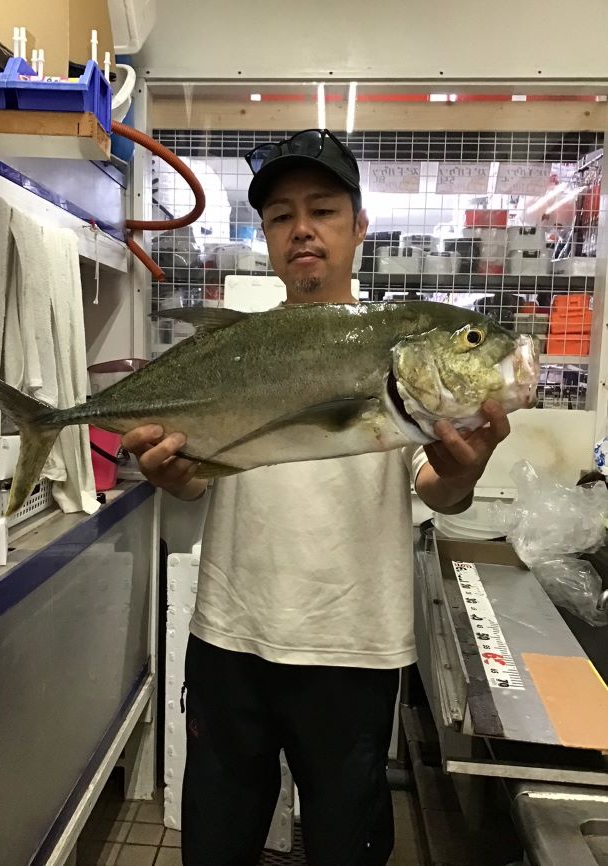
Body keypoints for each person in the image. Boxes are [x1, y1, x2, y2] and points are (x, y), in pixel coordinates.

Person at [122, 129, 510, 866]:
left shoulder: (403, 351)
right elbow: (199, 476)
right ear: (267, 237)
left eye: (323, 210)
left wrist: (464, 471)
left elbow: (434, 487)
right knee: (217, 839)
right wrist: (171, 475)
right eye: (281, 215)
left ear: (359, 226)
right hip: (232, 632)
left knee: (344, 843)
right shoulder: (237, 347)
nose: (302, 229)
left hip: (353, 642)